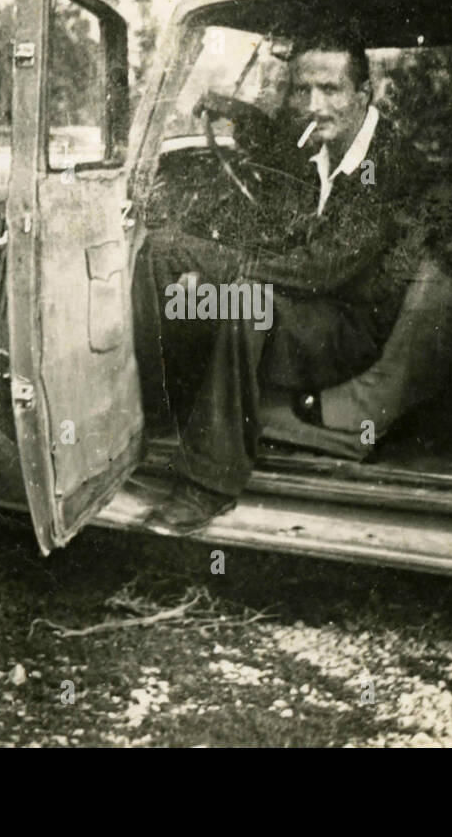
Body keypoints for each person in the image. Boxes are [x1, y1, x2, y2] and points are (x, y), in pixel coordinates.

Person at [133, 27, 427, 533]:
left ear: (364, 94)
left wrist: (219, 263)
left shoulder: (388, 162)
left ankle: (210, 483)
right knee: (165, 260)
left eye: (330, 90)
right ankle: (151, 418)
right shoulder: (317, 146)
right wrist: (200, 249)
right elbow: (273, 214)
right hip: (308, 310)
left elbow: (322, 267)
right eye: (301, 90)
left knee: (244, 303)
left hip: (352, 331)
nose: (313, 105)